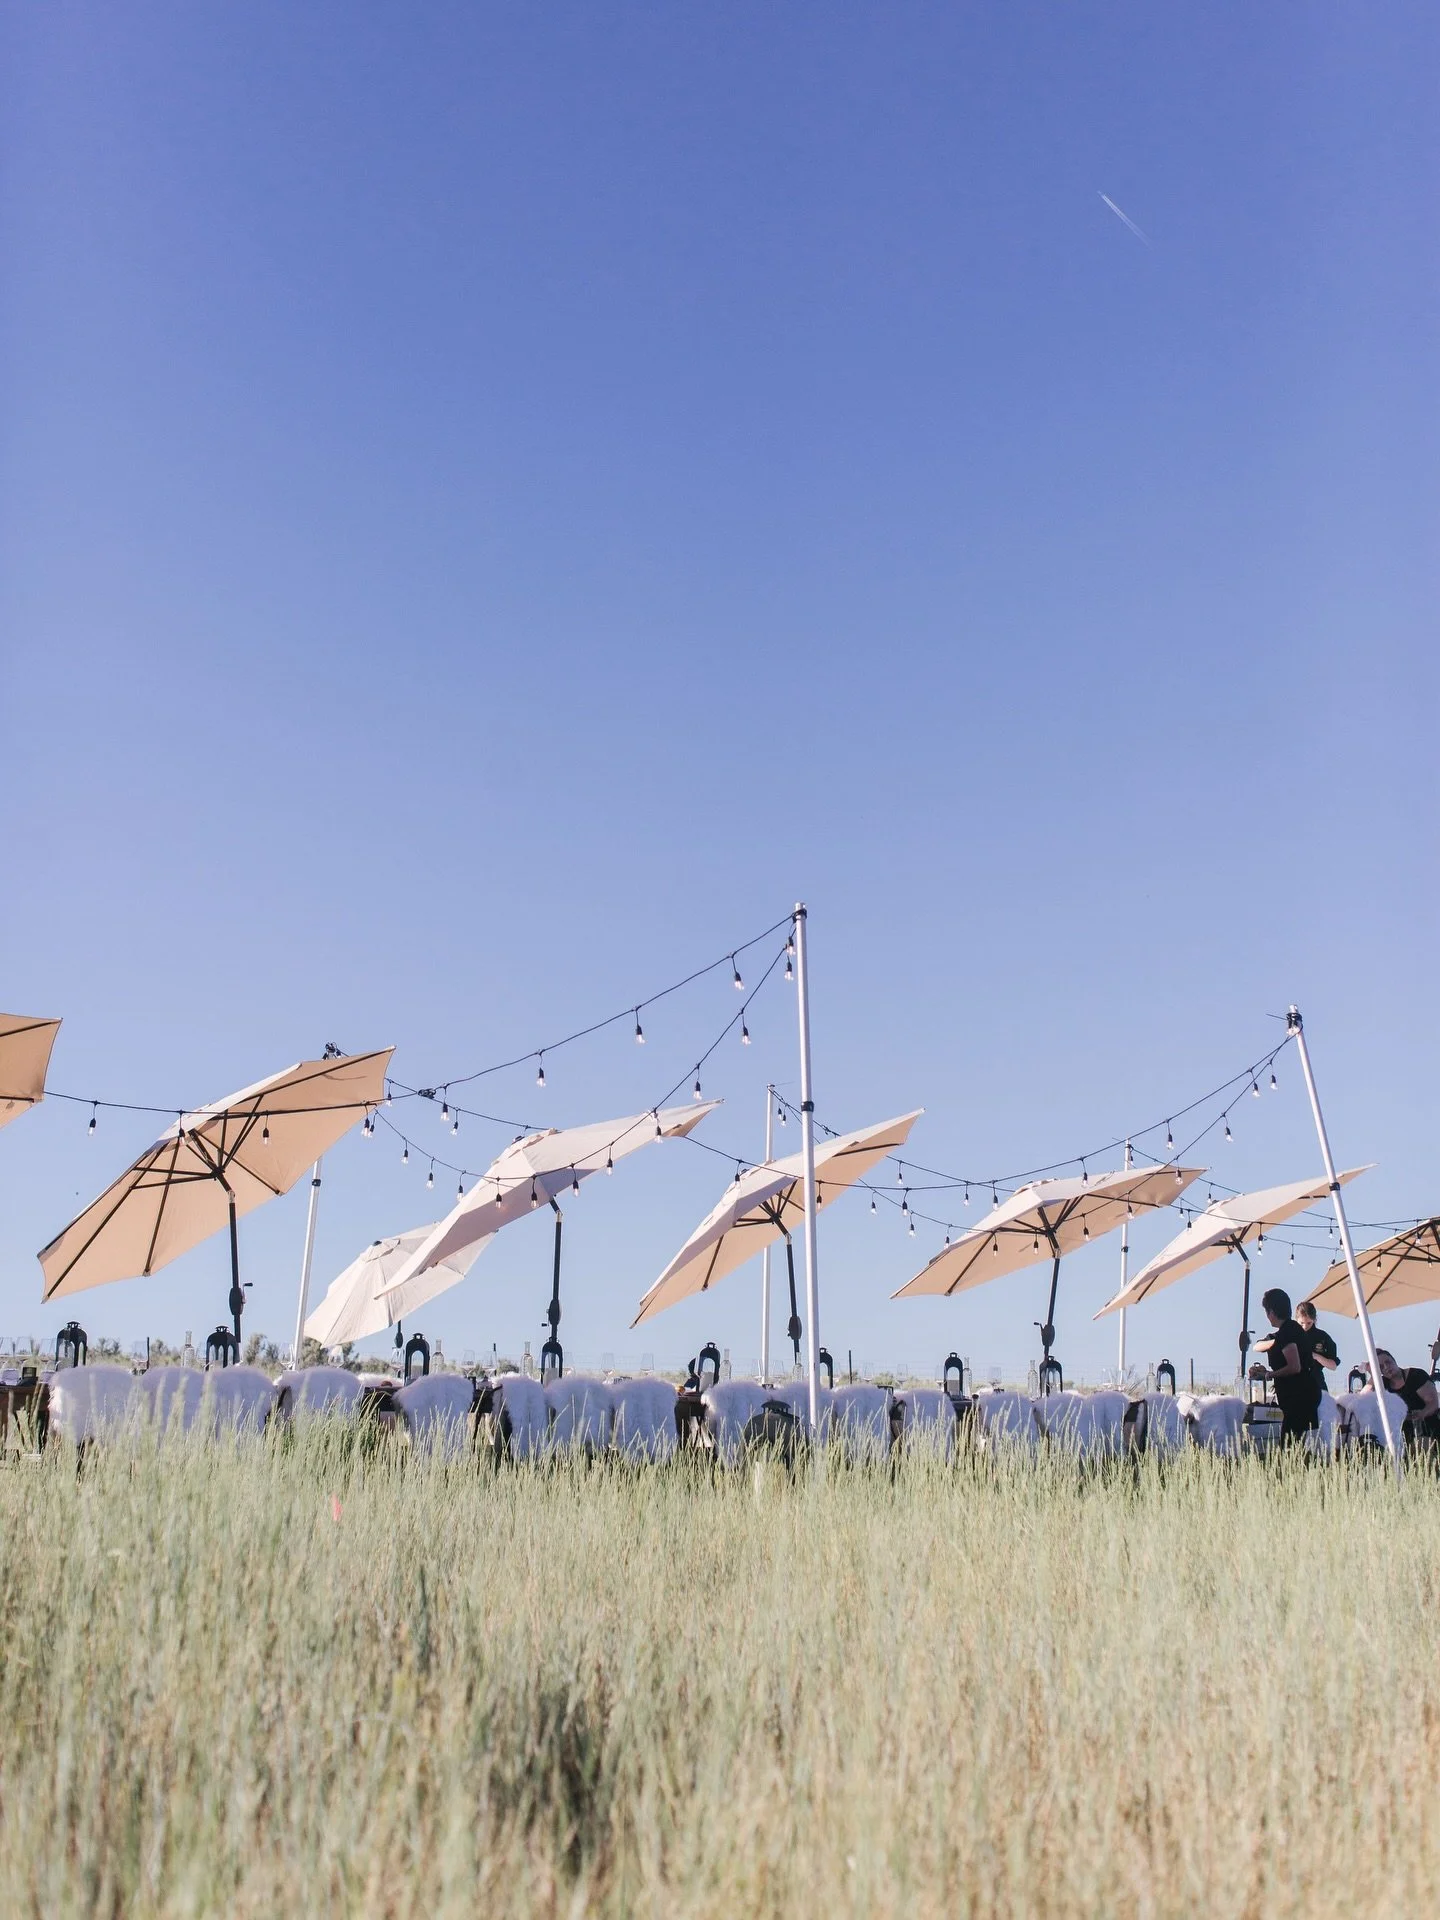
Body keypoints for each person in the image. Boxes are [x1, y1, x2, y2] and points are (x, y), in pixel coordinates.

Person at [1249, 1287, 1321, 1440]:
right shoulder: (1290, 1330)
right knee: (1296, 1442)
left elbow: (1294, 1366)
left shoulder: (1287, 1333)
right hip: (1303, 1394)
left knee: (1289, 1444)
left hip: (1299, 1397)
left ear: (1271, 1312)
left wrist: (1270, 1374)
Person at [1373, 1349, 1440, 1445]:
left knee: (1420, 1438)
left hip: (1425, 1426)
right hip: (1400, 1432)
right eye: (1381, 1367)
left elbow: (1433, 1403)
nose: (1386, 1367)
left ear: (1394, 1360)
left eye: (1388, 1362)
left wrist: (1422, 1413)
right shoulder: (1381, 1385)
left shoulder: (1416, 1376)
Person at [1296, 1301, 1339, 1387]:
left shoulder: (1322, 1336)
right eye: (1302, 1323)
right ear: (1296, 1320)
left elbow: (1333, 1366)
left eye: (1309, 1323)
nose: (1305, 1327)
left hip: (1317, 1382)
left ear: (1314, 1320)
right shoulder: (1290, 1334)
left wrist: (1316, 1356)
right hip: (1295, 1382)